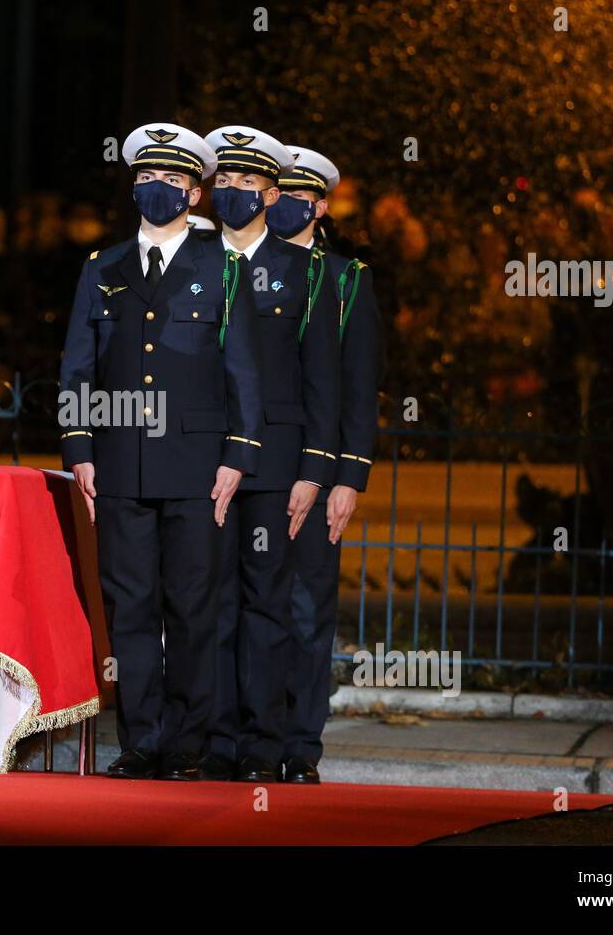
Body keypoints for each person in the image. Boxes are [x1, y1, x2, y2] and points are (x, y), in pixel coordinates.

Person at [60, 123, 263, 780]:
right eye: (147, 178)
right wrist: (80, 447)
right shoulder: (103, 268)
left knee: (193, 606)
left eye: (173, 182)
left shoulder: (223, 269)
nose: (157, 189)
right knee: (131, 605)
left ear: (195, 195)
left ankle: (187, 741)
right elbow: (76, 368)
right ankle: (141, 740)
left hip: (198, 466)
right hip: (119, 463)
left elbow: (244, 372)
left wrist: (237, 456)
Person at [198, 127, 339, 783]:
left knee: (268, 606)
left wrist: (315, 470)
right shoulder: (193, 260)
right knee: (207, 603)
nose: (232, 193)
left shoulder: (305, 272)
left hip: (276, 467)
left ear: (272, 193)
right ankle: (214, 741)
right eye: (222, 182)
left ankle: (264, 742)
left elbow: (324, 381)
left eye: (246, 185)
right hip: (199, 460)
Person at [272, 145, 381, 784]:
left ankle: (299, 745)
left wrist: (349, 476)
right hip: (254, 466)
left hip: (320, 469)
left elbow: (359, 386)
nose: (284, 204)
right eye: (276, 192)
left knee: (307, 611)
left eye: (298, 196)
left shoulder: (347, 278)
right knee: (246, 608)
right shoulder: (245, 268)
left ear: (321, 206)